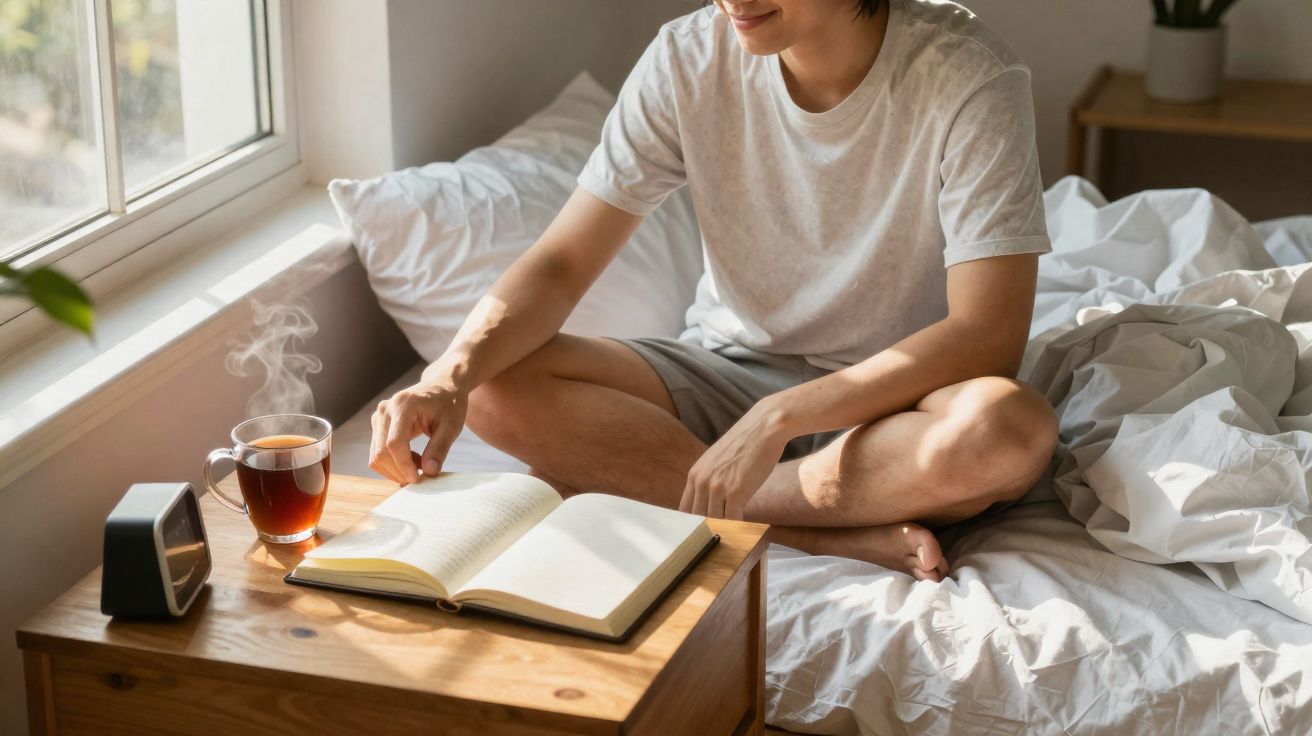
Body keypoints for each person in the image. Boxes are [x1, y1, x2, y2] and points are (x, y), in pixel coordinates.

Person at [368, 0, 1059, 581]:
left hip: (894, 405)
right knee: (494, 381)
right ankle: (805, 534)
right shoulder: (687, 58)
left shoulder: (967, 74)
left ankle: (719, 503)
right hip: (723, 374)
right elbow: (561, 263)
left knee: (1007, 430)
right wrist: (447, 378)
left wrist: (780, 418)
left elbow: (987, 334)